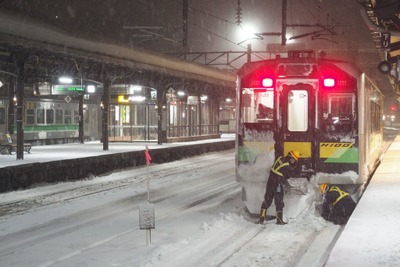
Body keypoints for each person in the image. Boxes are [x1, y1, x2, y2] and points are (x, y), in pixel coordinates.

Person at [257, 150, 300, 225]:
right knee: (279, 201)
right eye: (294, 160)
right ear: (291, 158)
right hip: (277, 183)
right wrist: (295, 170)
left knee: (267, 199)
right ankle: (279, 220)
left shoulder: (280, 158)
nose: (293, 162)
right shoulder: (287, 166)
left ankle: (261, 219)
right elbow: (289, 175)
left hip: (270, 181)